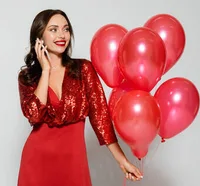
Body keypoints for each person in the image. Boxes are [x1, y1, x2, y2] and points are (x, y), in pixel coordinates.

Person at [17, 9, 142, 186]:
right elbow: (34, 114)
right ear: (39, 36)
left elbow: (101, 117)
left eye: (66, 29)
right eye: (53, 29)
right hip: (37, 160)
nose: (62, 35)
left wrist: (122, 160)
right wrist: (45, 70)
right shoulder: (28, 76)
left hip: (73, 161)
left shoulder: (83, 69)